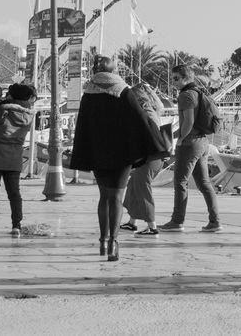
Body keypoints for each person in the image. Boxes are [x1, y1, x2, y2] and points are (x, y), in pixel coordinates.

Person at [70, 56, 168, 261]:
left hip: (97, 151)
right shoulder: (123, 90)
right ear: (114, 71)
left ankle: (102, 240)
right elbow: (140, 119)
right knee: (116, 197)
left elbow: (83, 124)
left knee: (103, 197)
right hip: (121, 152)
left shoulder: (88, 92)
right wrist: (153, 145)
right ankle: (113, 242)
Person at [158, 64, 221, 233]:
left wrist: (180, 139)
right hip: (202, 142)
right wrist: (175, 133)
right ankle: (215, 221)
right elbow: (190, 123)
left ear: (186, 78)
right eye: (173, 79)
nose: (174, 82)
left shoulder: (186, 95)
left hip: (190, 144)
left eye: (176, 78)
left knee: (180, 183)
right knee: (204, 183)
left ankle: (177, 221)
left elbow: (189, 121)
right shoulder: (198, 92)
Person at [0, 83, 36, 238]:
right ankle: (16, 226)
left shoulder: (1, 112)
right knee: (14, 193)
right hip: (14, 158)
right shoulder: (29, 116)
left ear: (11, 96)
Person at [119, 81, 171, 237]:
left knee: (142, 190)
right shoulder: (150, 111)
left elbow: (147, 137)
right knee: (134, 187)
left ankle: (152, 226)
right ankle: (132, 222)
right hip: (154, 157)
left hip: (150, 157)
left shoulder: (145, 114)